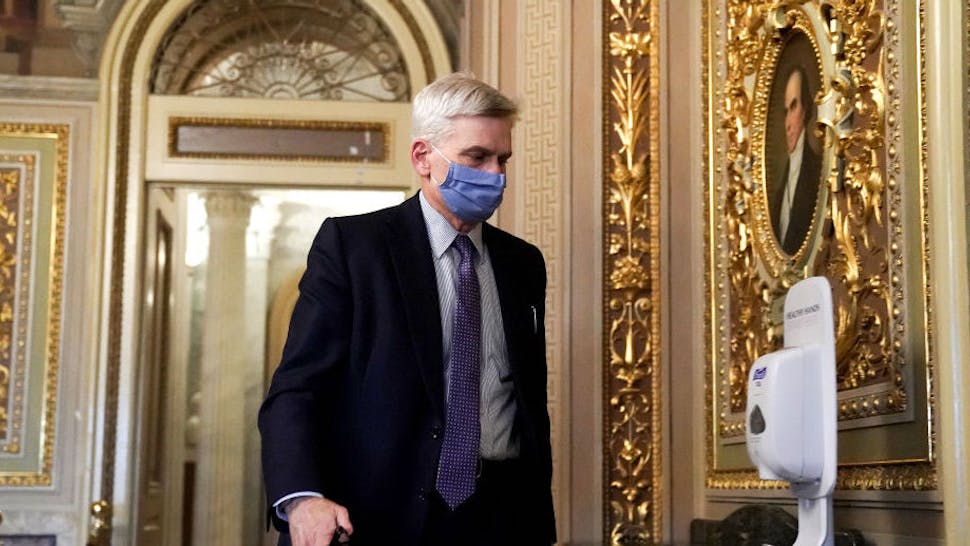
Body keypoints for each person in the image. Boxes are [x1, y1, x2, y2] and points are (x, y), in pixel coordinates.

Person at [258, 72, 556, 546]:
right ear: (423, 157)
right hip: (378, 517)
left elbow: (524, 404)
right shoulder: (353, 248)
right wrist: (302, 497)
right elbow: (298, 389)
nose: (496, 175)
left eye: (503, 159)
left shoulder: (523, 265)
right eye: (477, 157)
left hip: (500, 518)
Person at [769, 64, 822, 255]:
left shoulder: (817, 173)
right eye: (786, 112)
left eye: (793, 107)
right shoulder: (780, 187)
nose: (788, 124)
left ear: (806, 109)